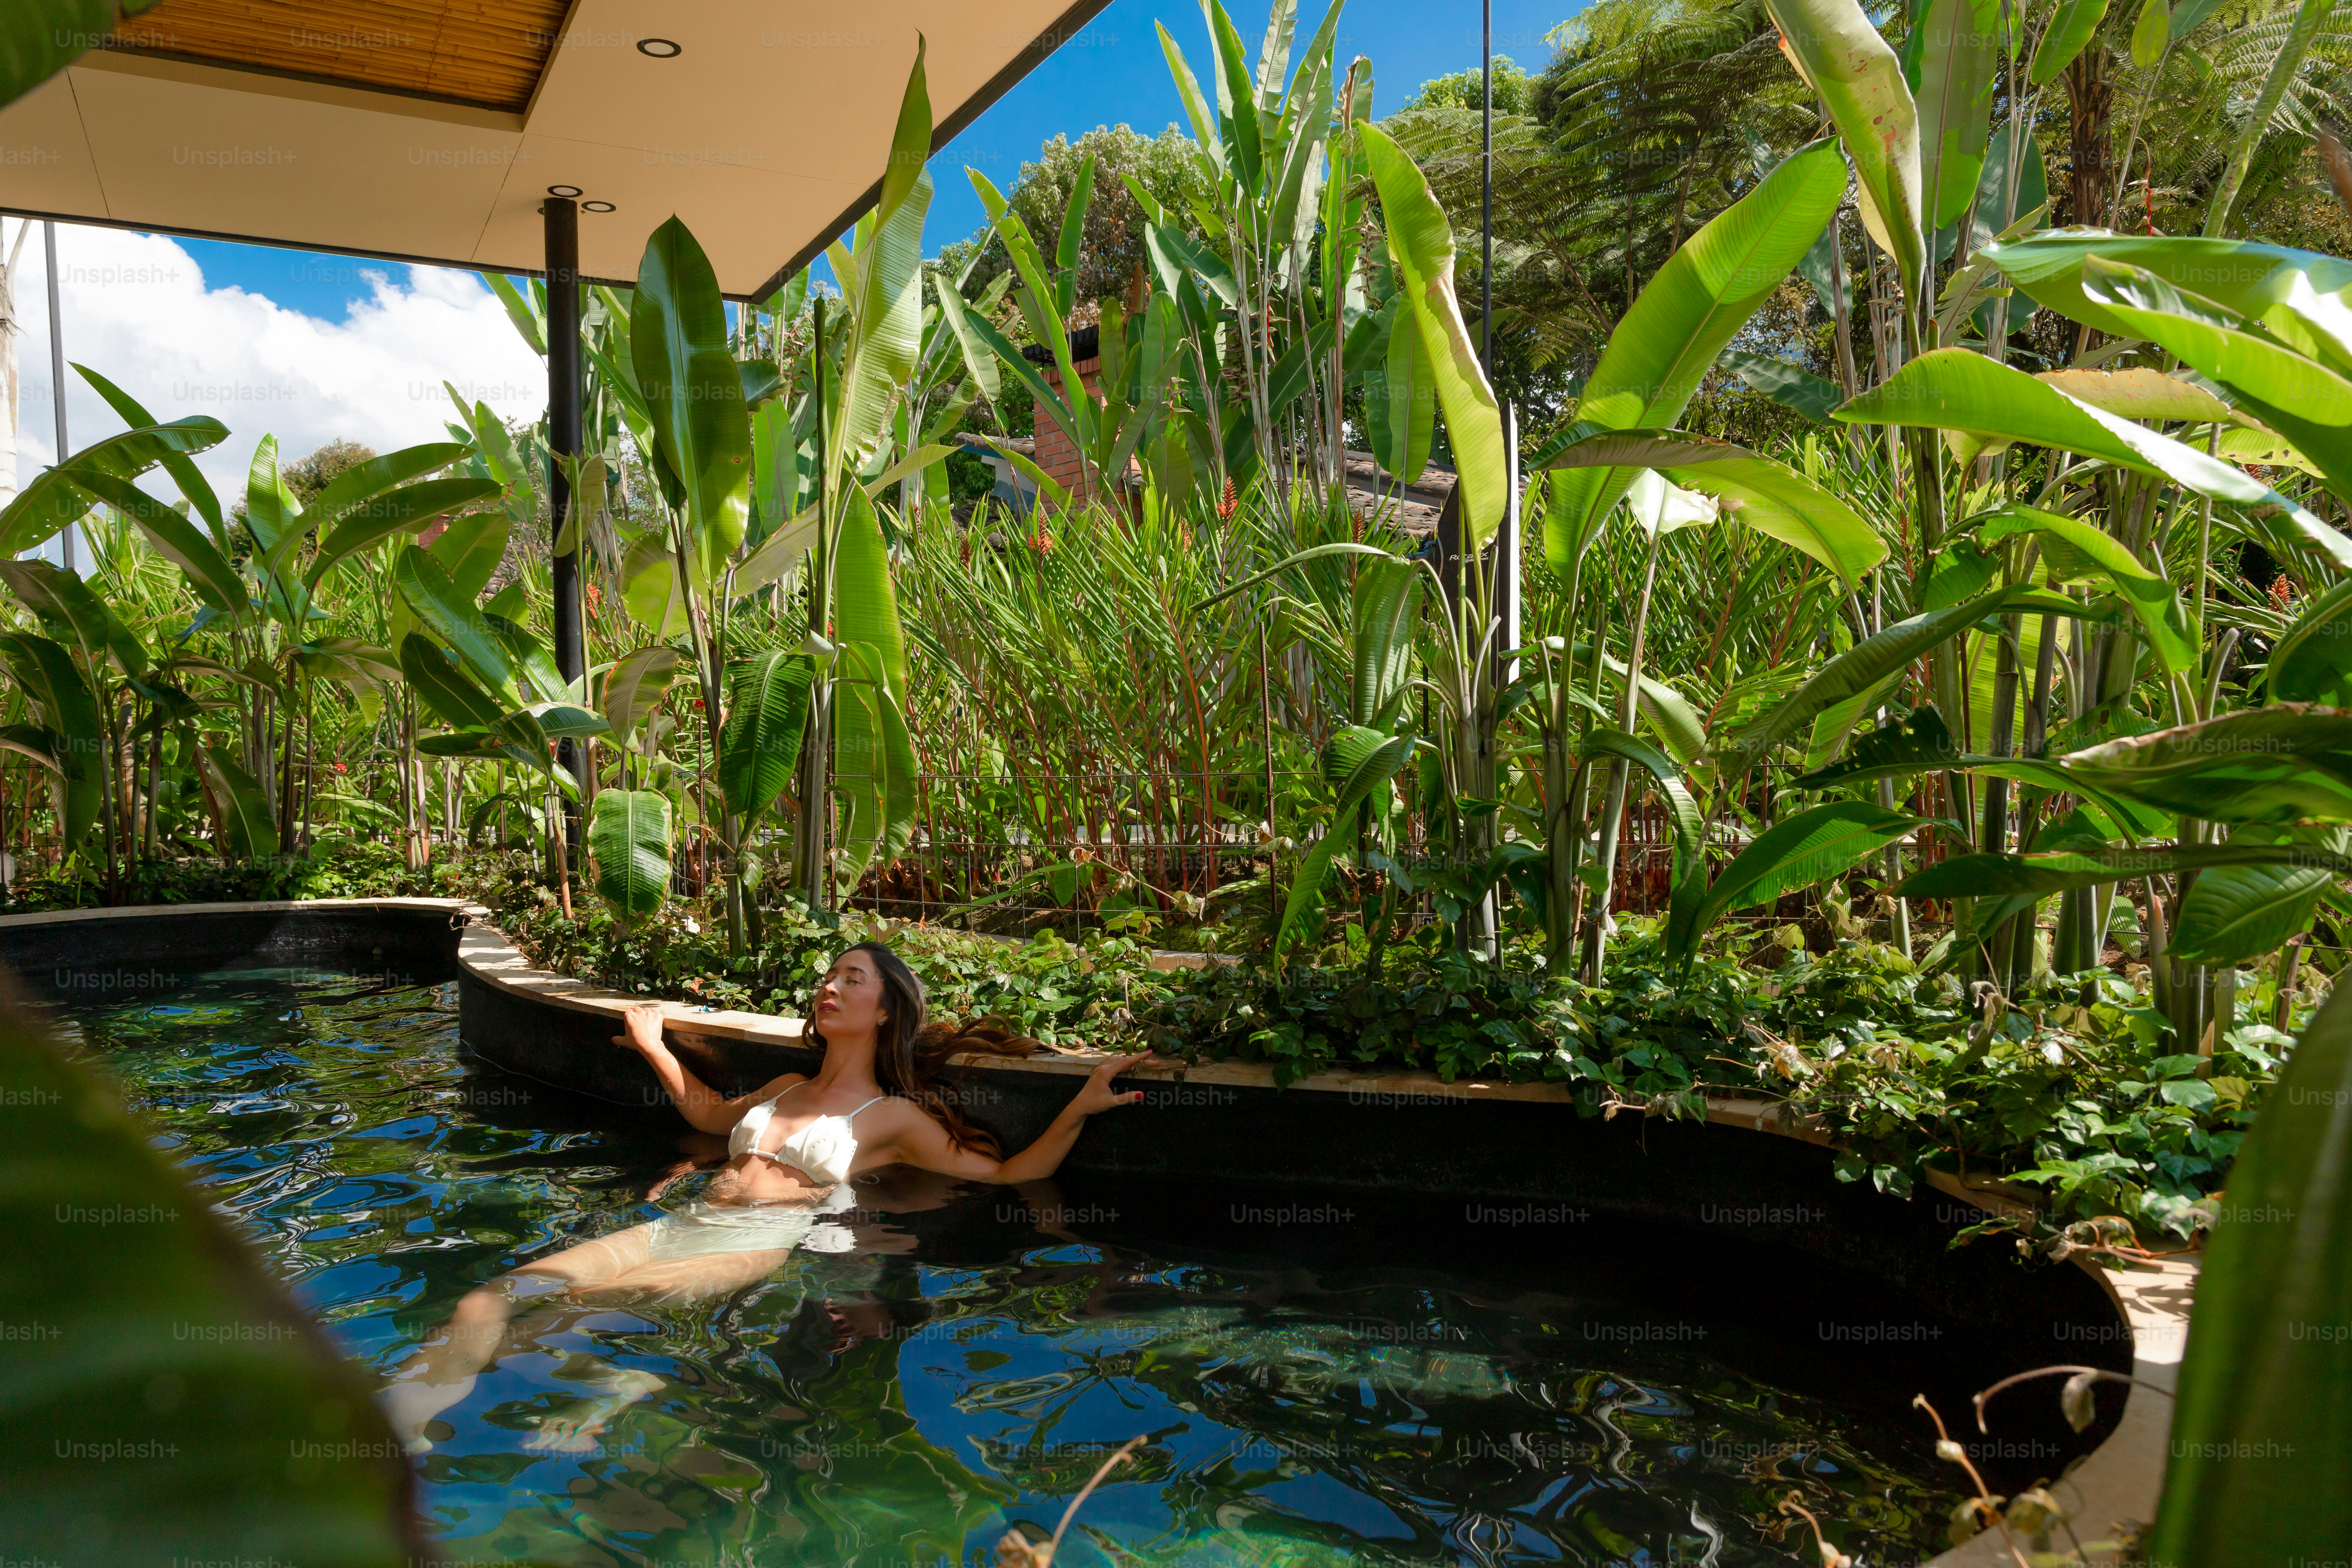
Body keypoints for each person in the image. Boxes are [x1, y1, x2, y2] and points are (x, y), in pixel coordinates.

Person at [381, 940, 1154, 1452]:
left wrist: (1080, 1106)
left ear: (884, 1009)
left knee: (570, 1316)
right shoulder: (788, 1083)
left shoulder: (893, 1116)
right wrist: (654, 1048)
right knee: (488, 1298)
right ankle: (399, 1425)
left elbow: (1008, 1174)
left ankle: (586, 1393)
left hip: (748, 1244)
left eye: (852, 977)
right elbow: (711, 1116)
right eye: (829, 974)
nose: (830, 985)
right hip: (683, 1220)